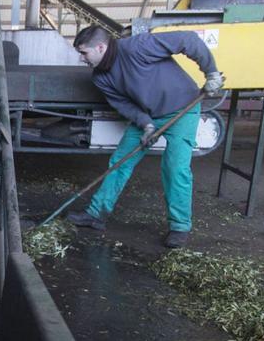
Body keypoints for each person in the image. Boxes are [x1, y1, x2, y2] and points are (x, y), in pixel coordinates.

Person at [67, 25, 224, 248]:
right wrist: (146, 124)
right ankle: (96, 215)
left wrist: (211, 73)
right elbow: (123, 103)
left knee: (175, 167)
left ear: (101, 47)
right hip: (149, 116)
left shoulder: (138, 46)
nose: (82, 59)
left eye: (84, 53)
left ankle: (179, 227)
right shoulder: (100, 77)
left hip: (183, 109)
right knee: (120, 162)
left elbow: (188, 40)